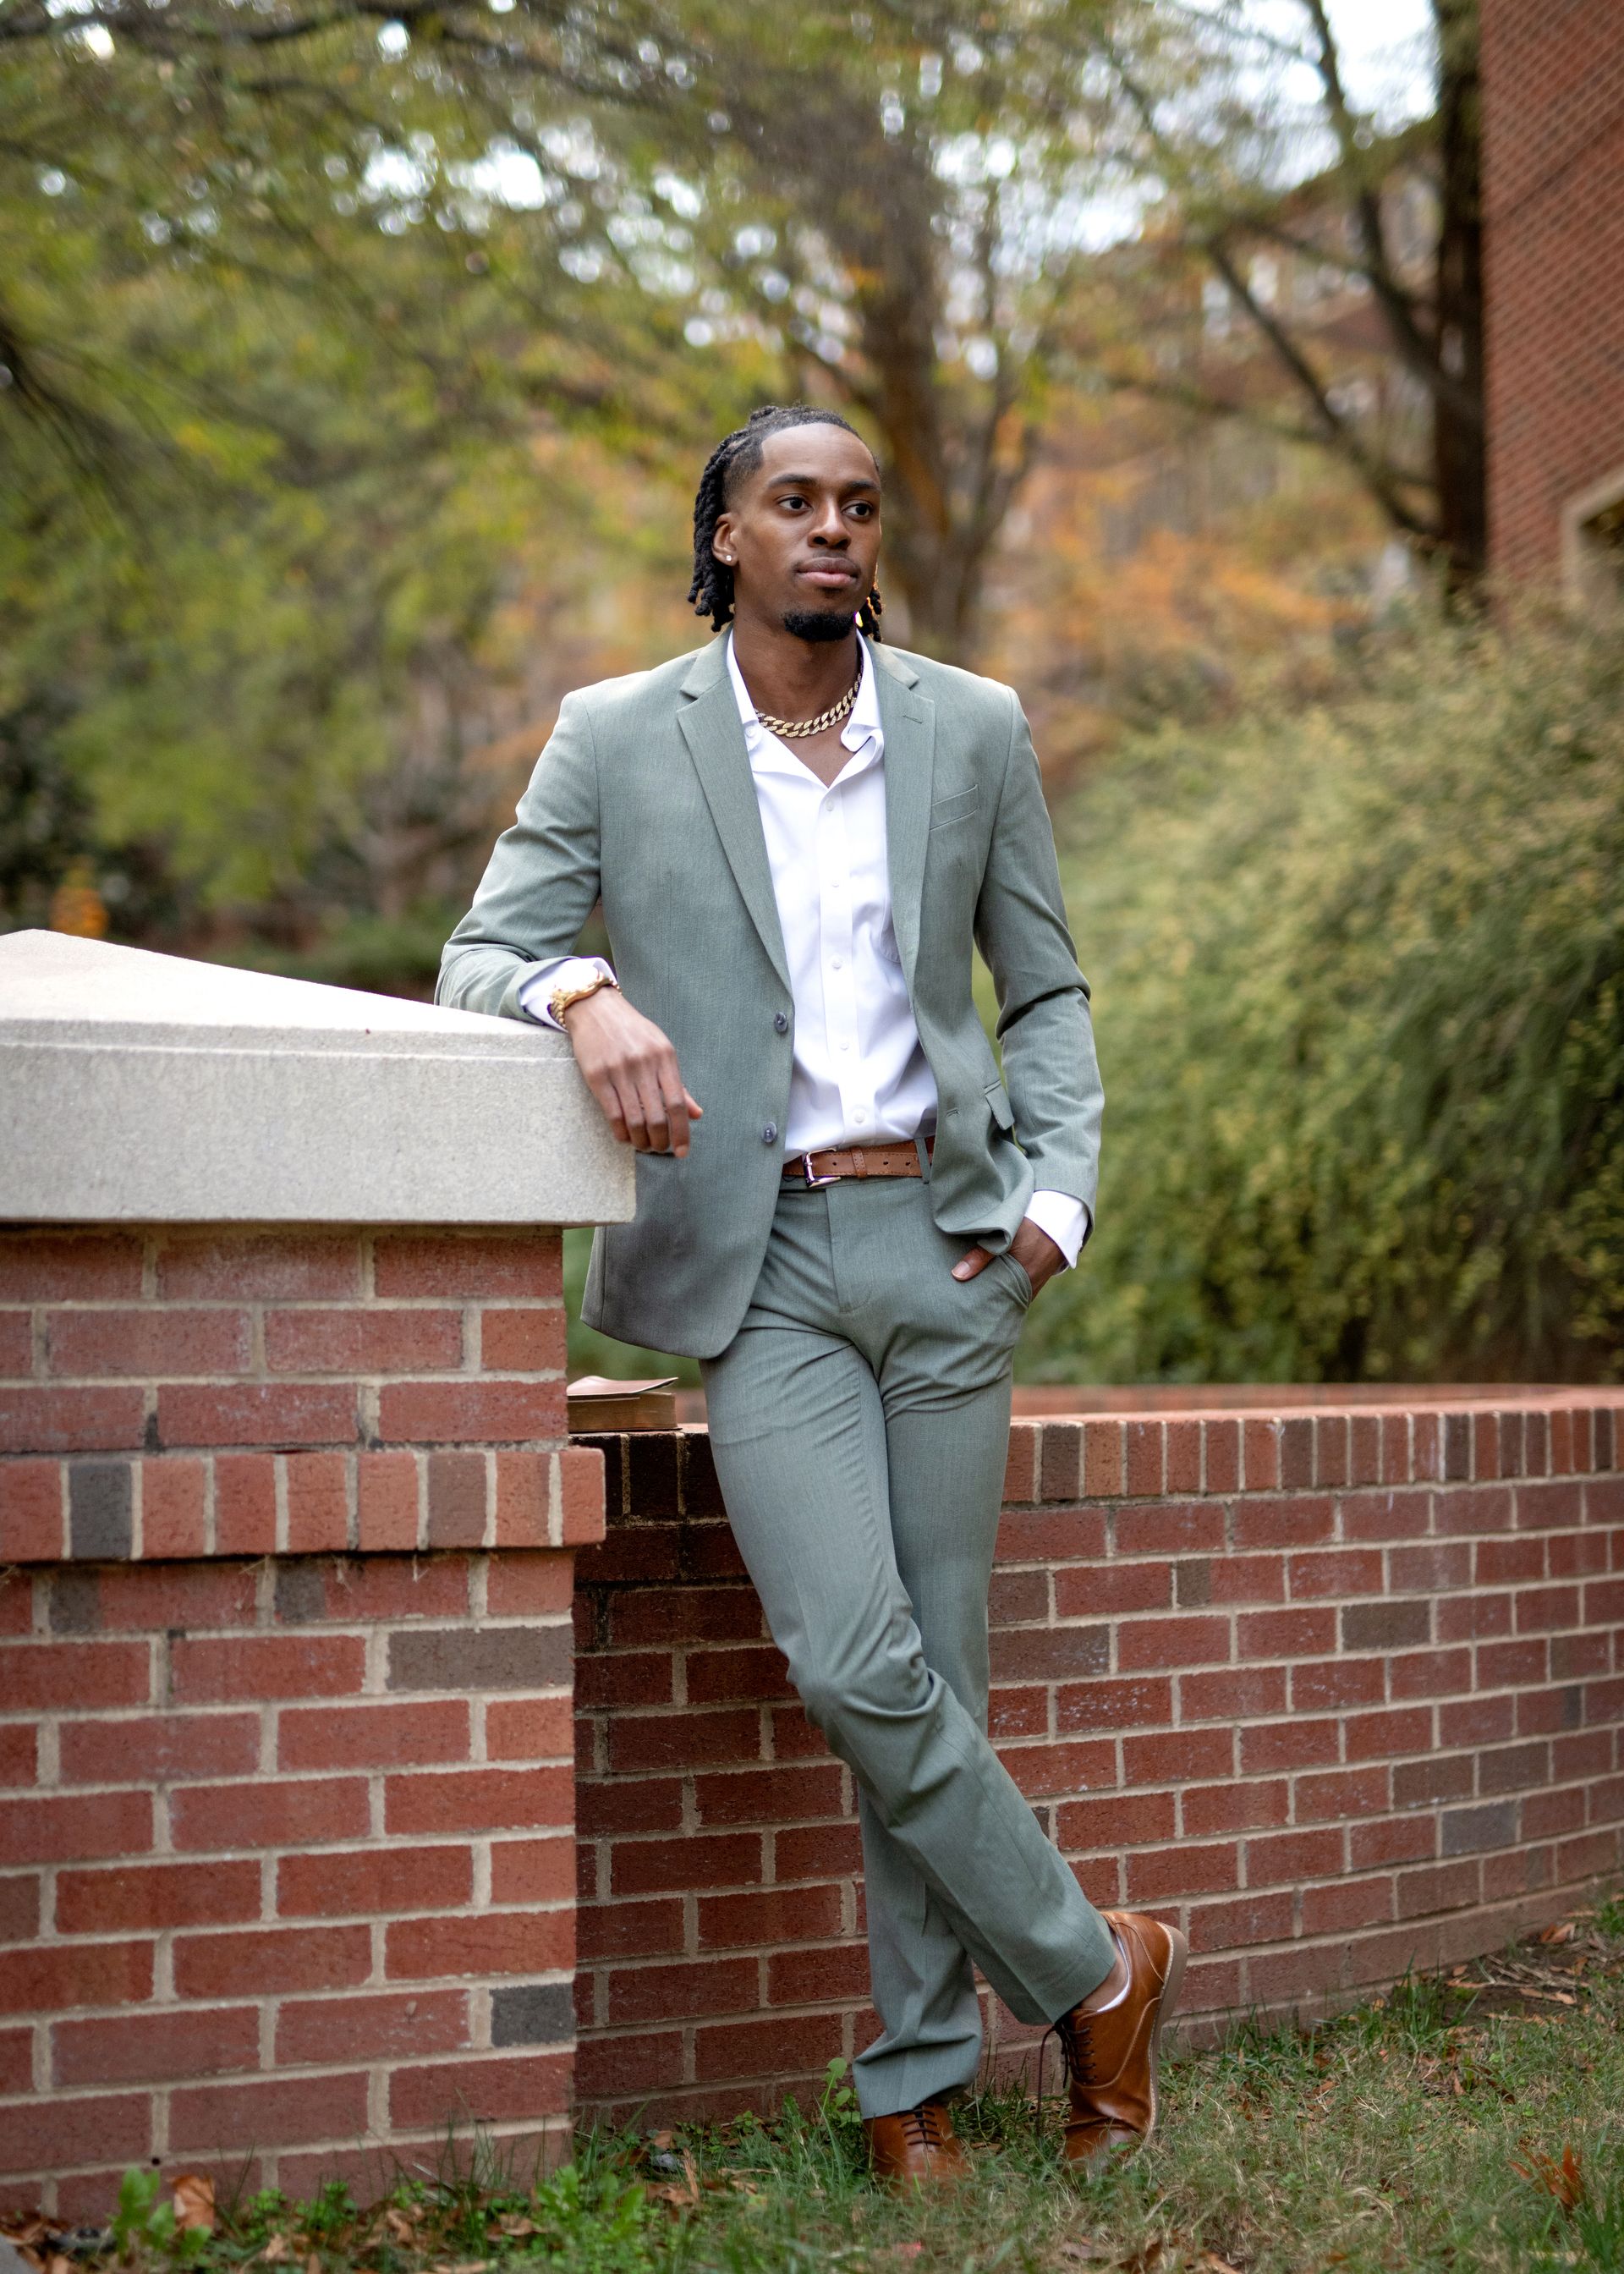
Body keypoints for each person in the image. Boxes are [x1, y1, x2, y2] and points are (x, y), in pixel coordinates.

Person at [439, 404, 1186, 2187]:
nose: (833, 527)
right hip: (755, 1264)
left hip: (949, 1246)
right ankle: (1100, 1972)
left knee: (940, 1677)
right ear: (727, 537)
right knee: (856, 1665)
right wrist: (583, 996)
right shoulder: (618, 733)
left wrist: (1056, 1208)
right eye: (794, 501)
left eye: (858, 503)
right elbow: (480, 952)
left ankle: (918, 2086)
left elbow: (1045, 992)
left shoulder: (971, 727)